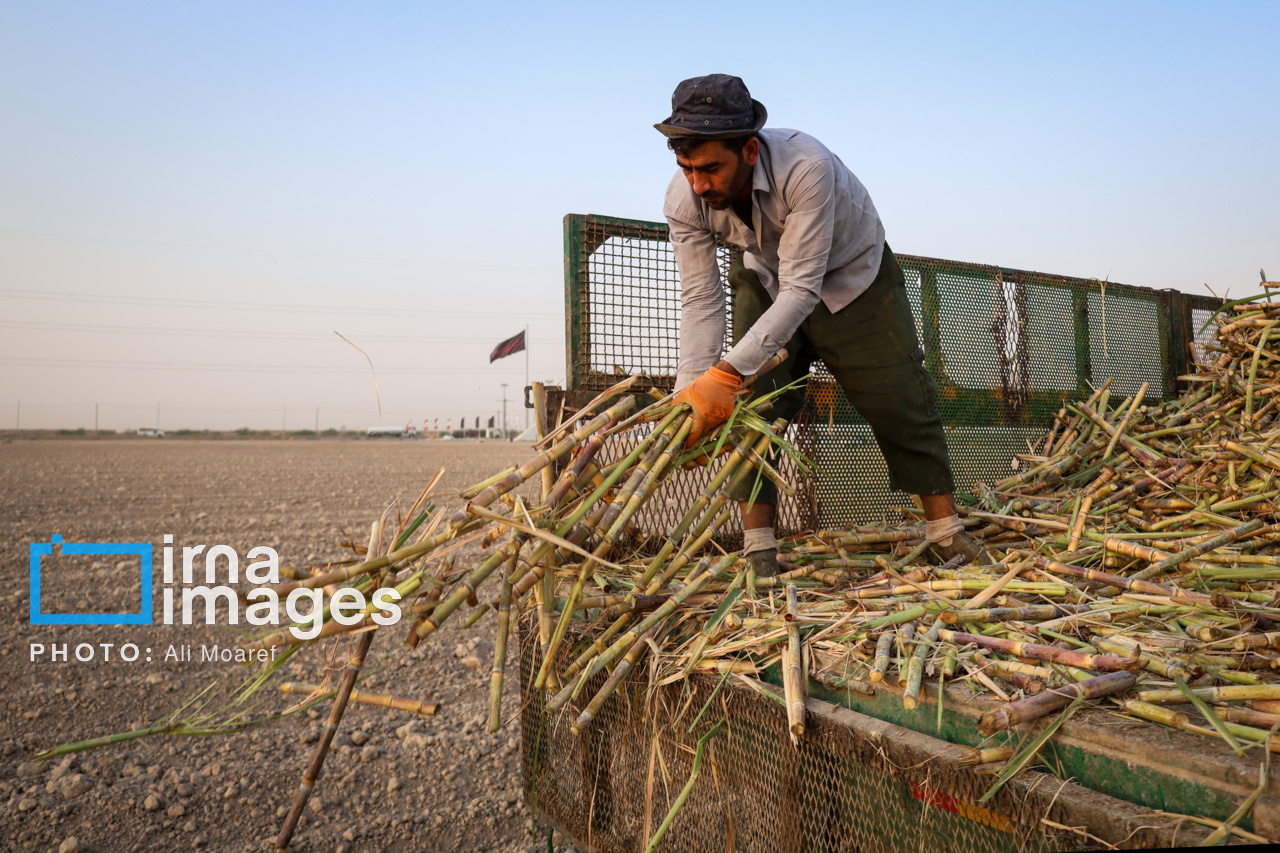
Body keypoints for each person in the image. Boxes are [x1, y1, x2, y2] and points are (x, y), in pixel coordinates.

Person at [657, 73, 990, 576]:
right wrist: (693, 392)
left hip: (854, 278)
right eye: (686, 169)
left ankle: (945, 531)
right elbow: (701, 296)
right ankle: (759, 550)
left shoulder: (805, 167)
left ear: (749, 150)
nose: (699, 185)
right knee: (752, 408)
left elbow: (802, 289)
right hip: (766, 277)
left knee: (898, 395)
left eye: (709, 168)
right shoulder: (686, 201)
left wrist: (723, 374)